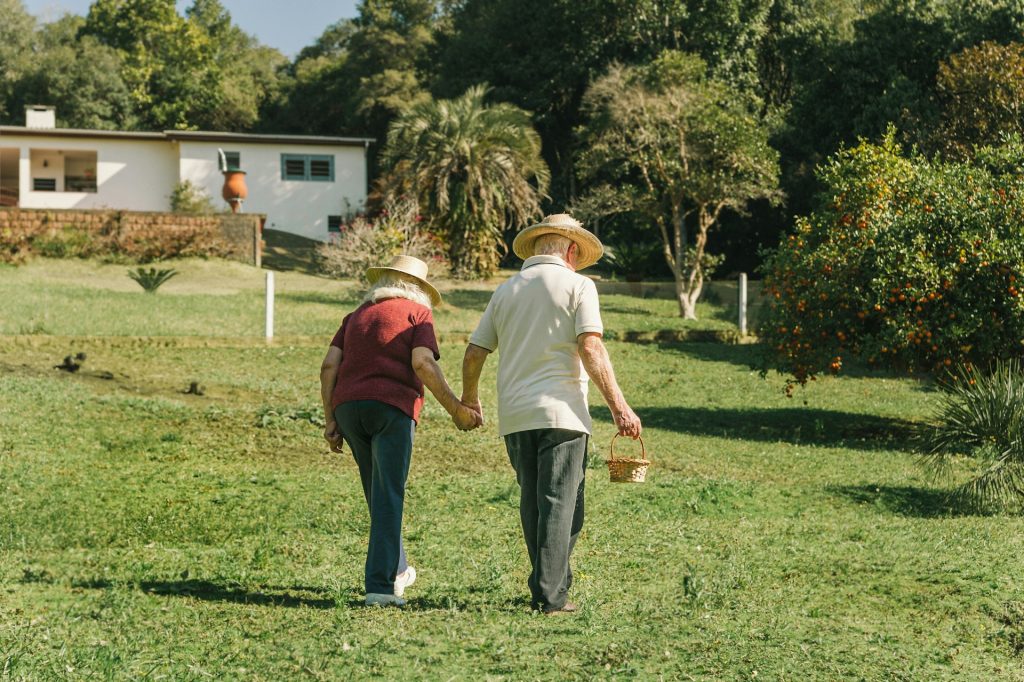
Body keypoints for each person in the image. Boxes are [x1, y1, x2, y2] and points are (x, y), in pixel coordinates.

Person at [461, 214, 642, 615]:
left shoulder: (505, 290)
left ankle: (547, 582)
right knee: (563, 504)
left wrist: (470, 399)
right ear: (572, 250)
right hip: (562, 412)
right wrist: (620, 408)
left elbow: (475, 352)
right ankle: (550, 594)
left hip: (515, 415)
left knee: (535, 502)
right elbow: (591, 349)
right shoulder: (579, 286)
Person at [320, 255, 481, 607]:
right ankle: (379, 588)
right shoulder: (417, 314)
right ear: (418, 289)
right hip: (391, 408)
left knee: (378, 493)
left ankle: (398, 569)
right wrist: (456, 408)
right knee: (390, 493)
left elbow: (329, 365)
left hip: (349, 408)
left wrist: (330, 418)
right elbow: (422, 362)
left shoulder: (355, 316)